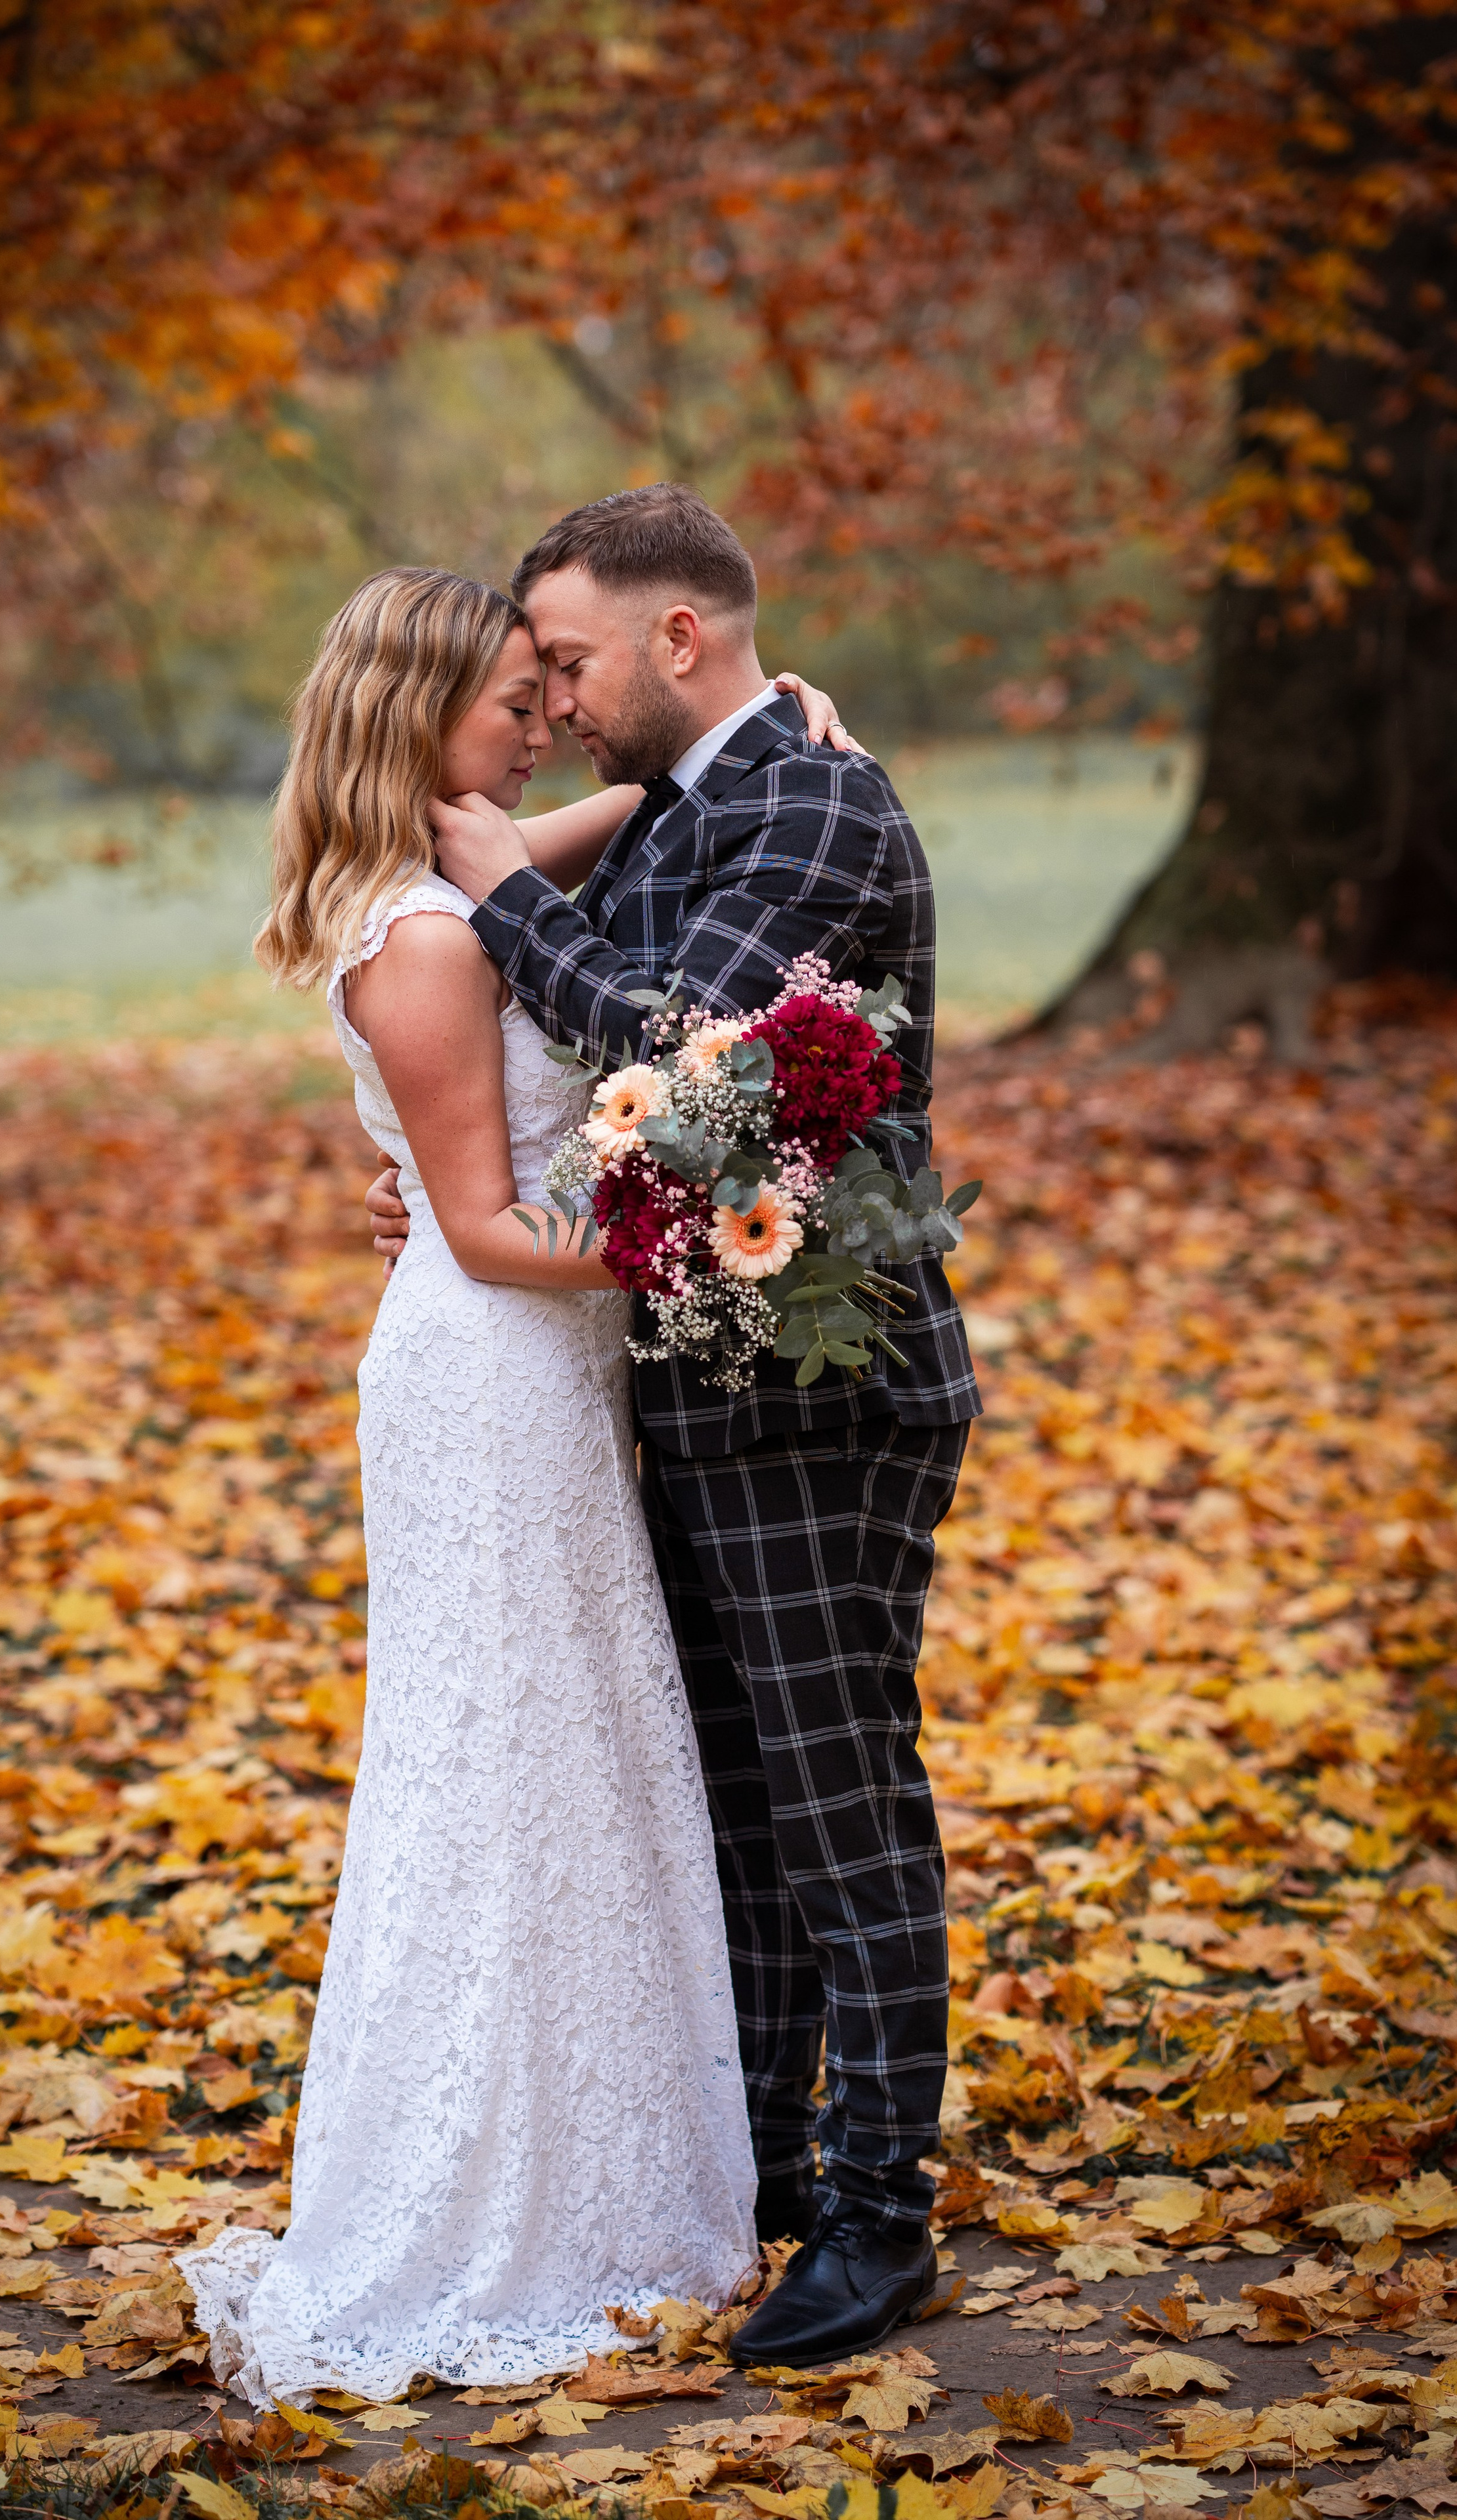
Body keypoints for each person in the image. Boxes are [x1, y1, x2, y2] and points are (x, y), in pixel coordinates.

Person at [179, 564, 854, 2403]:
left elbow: (593, 812)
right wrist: (723, 1241)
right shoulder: (424, 940)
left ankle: (601, 2170)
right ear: (422, 727)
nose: (538, 718)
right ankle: (488, 2204)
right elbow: (481, 1233)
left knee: (572, 1761)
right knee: (503, 1775)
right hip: (494, 1385)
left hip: (526, 1387)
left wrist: (763, 737)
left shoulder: (437, 883)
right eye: (504, 699)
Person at [374, 483, 981, 2367]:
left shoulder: (804, 800)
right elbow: (578, 1097)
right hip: (696, 1379)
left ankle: (883, 2213)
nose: (551, 695)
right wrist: (459, 1174)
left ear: (679, 639)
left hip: (827, 1387)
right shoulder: (700, 804)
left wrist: (498, 890)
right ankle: (776, 2173)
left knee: (839, 1800)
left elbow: (677, 1063)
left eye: (565, 655)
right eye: (530, 671)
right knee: (741, 1806)